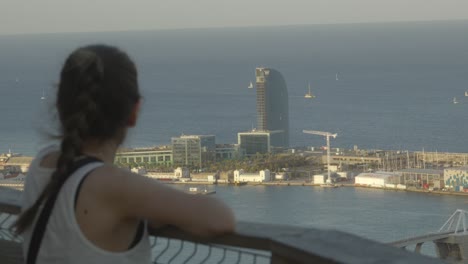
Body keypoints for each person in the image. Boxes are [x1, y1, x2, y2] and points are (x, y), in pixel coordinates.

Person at [13, 44, 235, 263]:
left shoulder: (40, 164)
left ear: (61, 107)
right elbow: (219, 219)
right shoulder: (113, 185)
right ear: (134, 113)